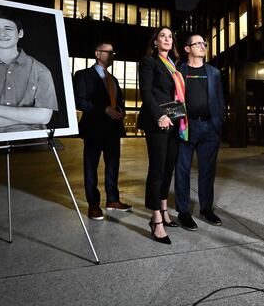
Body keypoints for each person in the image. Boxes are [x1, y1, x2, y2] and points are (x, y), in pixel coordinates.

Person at [73, 41, 132, 220]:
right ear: (97, 54)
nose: (112, 55)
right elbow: (79, 101)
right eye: (109, 52)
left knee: (113, 165)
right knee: (91, 166)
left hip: (113, 129)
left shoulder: (112, 79)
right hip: (93, 128)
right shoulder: (83, 75)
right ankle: (93, 205)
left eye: (113, 53)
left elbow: (119, 101)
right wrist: (104, 109)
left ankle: (112, 200)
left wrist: (121, 111)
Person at [174, 34, 225, 231]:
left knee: (207, 171)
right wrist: (177, 123)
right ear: (187, 49)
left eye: (204, 43)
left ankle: (206, 209)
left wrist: (218, 123)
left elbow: (219, 100)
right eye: (197, 43)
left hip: (210, 128)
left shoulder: (213, 72)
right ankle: (183, 212)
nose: (202, 46)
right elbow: (174, 98)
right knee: (183, 170)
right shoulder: (179, 71)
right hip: (187, 127)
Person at [138, 26, 183, 244]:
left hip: (174, 121)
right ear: (155, 42)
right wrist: (159, 115)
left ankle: (164, 209)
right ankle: (155, 219)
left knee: (168, 168)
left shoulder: (175, 65)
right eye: (162, 36)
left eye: (170, 36)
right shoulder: (149, 62)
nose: (167, 39)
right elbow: (146, 92)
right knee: (156, 169)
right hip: (157, 122)